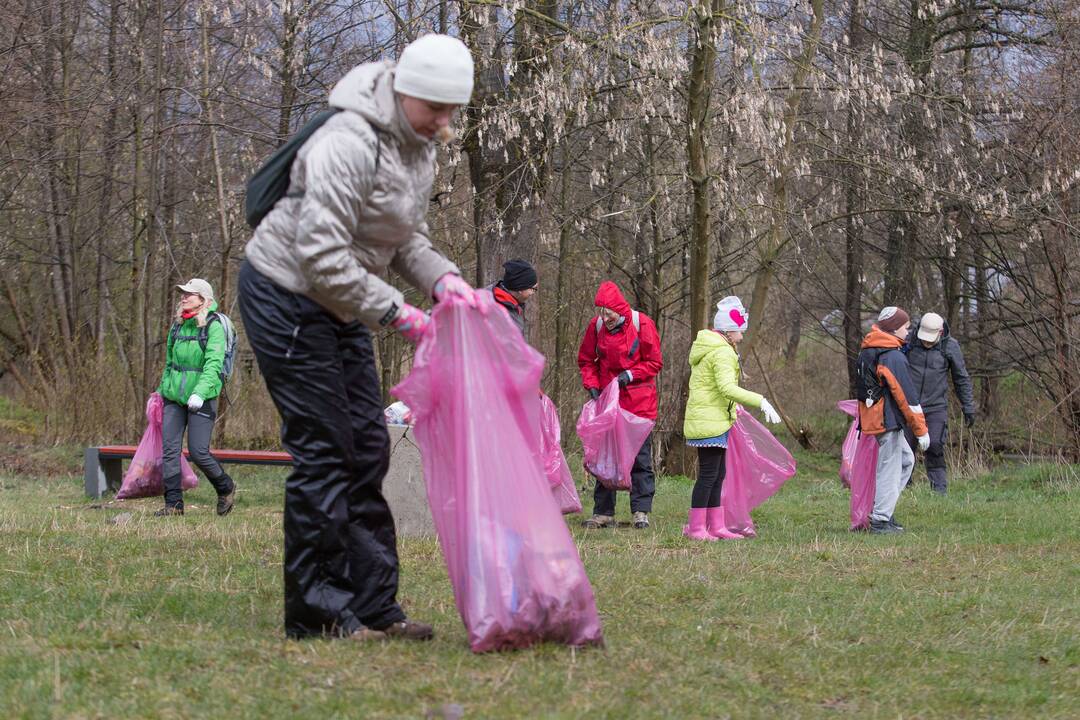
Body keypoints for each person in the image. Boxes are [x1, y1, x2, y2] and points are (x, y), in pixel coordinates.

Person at [238, 34, 480, 642]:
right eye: (435, 108)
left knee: (369, 446)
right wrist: (401, 314)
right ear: (403, 92)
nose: (444, 122)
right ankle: (319, 614)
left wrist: (444, 280)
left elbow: (401, 238)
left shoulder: (417, 145)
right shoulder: (347, 140)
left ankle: (374, 607)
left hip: (342, 301)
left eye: (454, 110)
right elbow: (320, 255)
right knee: (325, 450)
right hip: (286, 292)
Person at [682, 297, 782, 541]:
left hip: (713, 419)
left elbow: (714, 387)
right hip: (710, 422)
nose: (742, 334)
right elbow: (726, 387)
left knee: (718, 474)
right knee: (709, 475)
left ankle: (716, 526)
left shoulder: (716, 349)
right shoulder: (722, 353)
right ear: (728, 330)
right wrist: (761, 400)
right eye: (739, 329)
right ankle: (697, 528)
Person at [577, 281, 663, 530]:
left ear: (619, 309)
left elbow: (654, 362)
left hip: (638, 403)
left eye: (609, 313)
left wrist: (630, 375)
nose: (605, 318)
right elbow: (586, 360)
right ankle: (603, 512)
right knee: (605, 458)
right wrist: (592, 384)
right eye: (601, 312)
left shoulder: (642, 324)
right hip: (607, 402)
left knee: (640, 459)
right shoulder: (597, 327)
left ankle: (640, 511)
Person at [155, 278, 237, 517]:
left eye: (189, 294)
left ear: (203, 299)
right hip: (174, 397)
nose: (183, 297)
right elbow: (170, 363)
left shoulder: (213, 326)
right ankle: (173, 505)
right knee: (169, 450)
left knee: (198, 451)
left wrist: (199, 393)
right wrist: (161, 391)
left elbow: (214, 364)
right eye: (182, 293)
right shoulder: (178, 325)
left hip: (202, 397)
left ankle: (226, 487)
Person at [857, 307, 929, 534]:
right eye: (906, 327)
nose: (908, 332)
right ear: (895, 328)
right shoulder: (892, 355)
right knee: (891, 467)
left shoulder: (870, 349)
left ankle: (884, 510)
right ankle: (880, 520)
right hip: (886, 420)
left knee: (906, 461)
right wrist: (921, 430)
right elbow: (906, 397)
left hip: (876, 418)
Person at [904, 312, 976, 494]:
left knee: (935, 444)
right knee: (905, 448)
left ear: (940, 332)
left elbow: (961, 378)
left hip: (936, 406)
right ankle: (903, 487)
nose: (927, 343)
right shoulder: (909, 341)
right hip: (908, 406)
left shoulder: (950, 347)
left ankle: (939, 490)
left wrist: (968, 406)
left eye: (931, 339)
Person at [487, 259, 537, 336]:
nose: (532, 293)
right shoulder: (505, 318)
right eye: (532, 289)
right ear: (521, 289)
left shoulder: (490, 292)